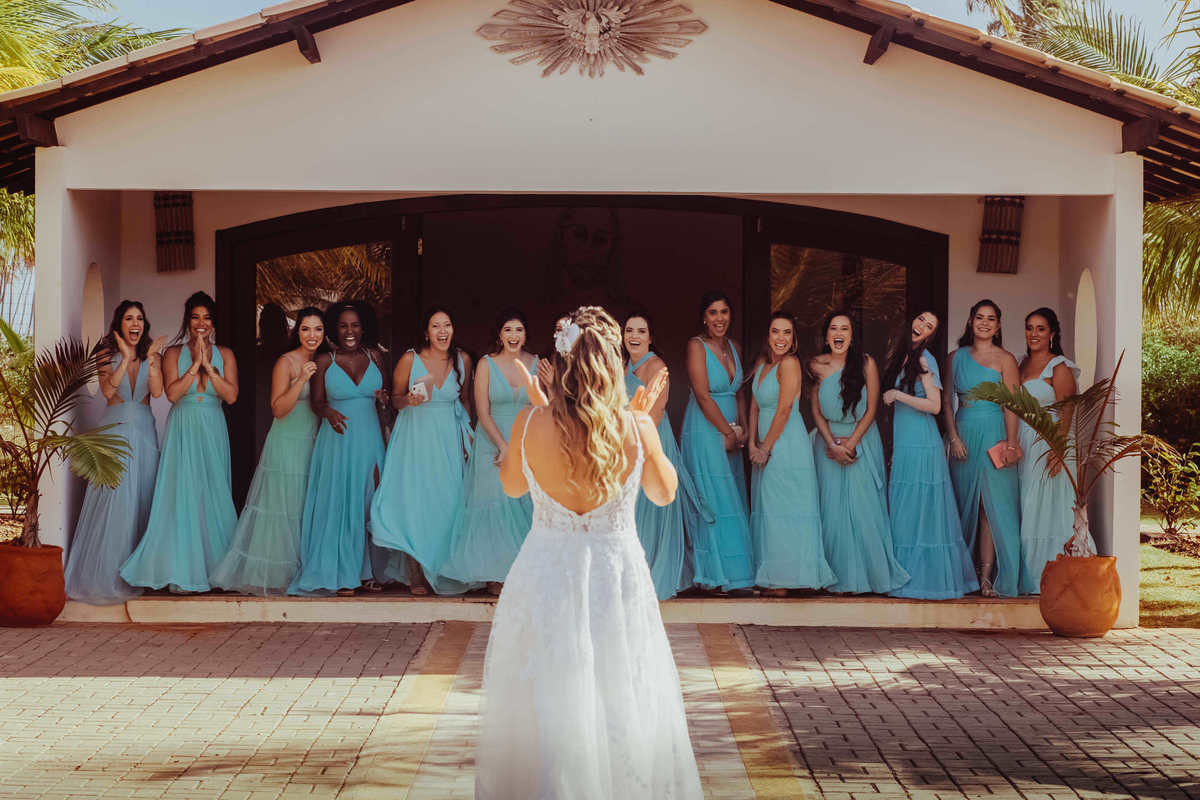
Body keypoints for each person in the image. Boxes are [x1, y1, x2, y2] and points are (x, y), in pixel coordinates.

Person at [475, 306, 702, 799]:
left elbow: (513, 487)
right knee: (621, 691)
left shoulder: (530, 422)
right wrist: (644, 424)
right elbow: (665, 493)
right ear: (612, 362)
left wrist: (535, 413)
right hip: (614, 576)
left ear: (561, 361)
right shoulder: (636, 425)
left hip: (545, 573)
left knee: (547, 695)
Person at [121, 291, 238, 593]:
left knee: (214, 492)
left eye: (207, 317)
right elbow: (172, 395)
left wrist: (209, 367)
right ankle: (182, 570)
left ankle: (217, 570)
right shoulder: (173, 353)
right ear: (188, 320)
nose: (201, 323)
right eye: (196, 317)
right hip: (184, 426)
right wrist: (194, 364)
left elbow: (231, 395)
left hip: (212, 424)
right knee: (181, 494)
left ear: (214, 322)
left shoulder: (225, 354)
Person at [211, 308, 324, 595]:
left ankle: (310, 570)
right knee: (285, 506)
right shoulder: (286, 362)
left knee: (310, 505)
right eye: (306, 329)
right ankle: (279, 574)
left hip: (317, 440)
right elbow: (278, 409)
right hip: (288, 441)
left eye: (318, 329)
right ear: (296, 332)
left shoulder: (327, 360)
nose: (312, 335)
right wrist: (301, 380)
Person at [288, 301, 393, 596]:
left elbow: (384, 397)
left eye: (355, 325)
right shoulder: (324, 360)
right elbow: (316, 402)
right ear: (335, 329)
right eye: (344, 325)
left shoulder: (375, 356)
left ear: (364, 328)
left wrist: (383, 400)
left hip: (370, 437)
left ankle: (371, 571)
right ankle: (344, 573)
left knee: (370, 501)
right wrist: (329, 413)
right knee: (341, 502)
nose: (350, 331)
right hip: (338, 438)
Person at [65, 301, 165, 604]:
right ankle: (106, 575)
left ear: (144, 324)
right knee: (116, 502)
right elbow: (109, 392)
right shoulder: (105, 355)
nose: (135, 323)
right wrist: (126, 359)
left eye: (139, 318)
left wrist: (151, 360)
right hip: (116, 430)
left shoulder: (152, 355)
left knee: (143, 499)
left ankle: (140, 573)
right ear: (118, 325)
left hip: (145, 431)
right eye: (128, 318)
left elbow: (158, 392)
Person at [370, 307, 476, 595]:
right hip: (415, 436)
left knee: (448, 501)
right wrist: (409, 400)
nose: (442, 331)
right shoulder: (409, 359)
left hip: (448, 439)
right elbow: (395, 399)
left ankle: (443, 568)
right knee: (415, 499)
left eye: (447, 325)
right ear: (426, 332)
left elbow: (466, 401)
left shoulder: (462, 360)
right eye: (436, 326)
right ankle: (415, 573)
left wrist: (468, 439)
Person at [439, 309, 537, 595]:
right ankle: (494, 573)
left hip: (526, 442)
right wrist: (503, 447)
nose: (514, 336)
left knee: (524, 506)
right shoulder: (486, 364)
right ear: (499, 334)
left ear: (526, 334)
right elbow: (481, 411)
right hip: (491, 443)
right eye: (508, 330)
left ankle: (522, 572)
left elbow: (543, 408)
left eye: (518, 330)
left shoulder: (536, 363)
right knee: (495, 504)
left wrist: (519, 447)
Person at [810, 311, 909, 595]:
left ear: (852, 335)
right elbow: (815, 410)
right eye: (833, 329)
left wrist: (850, 444)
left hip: (862, 440)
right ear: (826, 335)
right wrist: (831, 443)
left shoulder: (866, 363)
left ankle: (869, 578)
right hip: (827, 443)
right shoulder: (815, 365)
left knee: (864, 507)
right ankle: (835, 578)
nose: (838, 333)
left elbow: (872, 409)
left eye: (845, 329)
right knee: (831, 509)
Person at [882, 311, 978, 599]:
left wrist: (898, 396)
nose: (921, 325)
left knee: (921, 508)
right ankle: (904, 576)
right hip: (905, 441)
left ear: (931, 335)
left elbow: (935, 405)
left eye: (929, 326)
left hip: (922, 443)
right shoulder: (902, 355)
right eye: (921, 319)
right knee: (905, 507)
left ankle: (925, 581)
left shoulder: (925, 359)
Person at [623, 310, 712, 601]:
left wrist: (637, 446)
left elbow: (657, 412)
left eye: (640, 331)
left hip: (650, 441)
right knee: (631, 510)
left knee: (650, 506)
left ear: (651, 337)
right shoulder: (623, 366)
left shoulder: (657, 366)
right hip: (626, 442)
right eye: (629, 331)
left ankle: (652, 572)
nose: (634, 336)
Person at [748, 311, 833, 595]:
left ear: (794, 338)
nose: (780, 338)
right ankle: (776, 575)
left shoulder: (791, 364)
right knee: (770, 509)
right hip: (763, 442)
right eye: (776, 331)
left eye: (786, 332)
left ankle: (789, 578)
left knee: (786, 508)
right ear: (768, 335)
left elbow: (784, 409)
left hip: (785, 444)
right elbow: (755, 405)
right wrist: (751, 443)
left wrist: (766, 447)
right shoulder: (762, 365)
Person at [943, 299, 1023, 597]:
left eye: (991, 319)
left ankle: (987, 576)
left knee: (991, 507)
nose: (985, 323)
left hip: (995, 434)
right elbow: (946, 403)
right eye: (979, 317)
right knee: (963, 504)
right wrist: (953, 438)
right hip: (963, 433)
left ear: (998, 325)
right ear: (970, 321)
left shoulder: (1006, 359)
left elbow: (1013, 406)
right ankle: (962, 575)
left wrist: (1012, 443)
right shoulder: (955, 357)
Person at [680, 290, 753, 594]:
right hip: (706, 429)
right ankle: (712, 575)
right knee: (713, 498)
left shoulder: (734, 347)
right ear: (704, 318)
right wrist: (727, 431)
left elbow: (738, 392)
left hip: (733, 430)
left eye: (724, 312)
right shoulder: (697, 346)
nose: (719, 318)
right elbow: (702, 394)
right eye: (713, 313)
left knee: (731, 498)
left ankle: (736, 575)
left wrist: (744, 430)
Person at [1017, 307, 1091, 593]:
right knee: (1028, 505)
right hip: (1025, 444)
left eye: (1040, 328)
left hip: (1051, 444)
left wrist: (1058, 449)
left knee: (1048, 508)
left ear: (1052, 333)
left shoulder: (1059, 367)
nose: (1033, 334)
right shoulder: (1022, 365)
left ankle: (1058, 576)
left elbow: (1067, 409)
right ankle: (1030, 575)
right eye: (1029, 327)